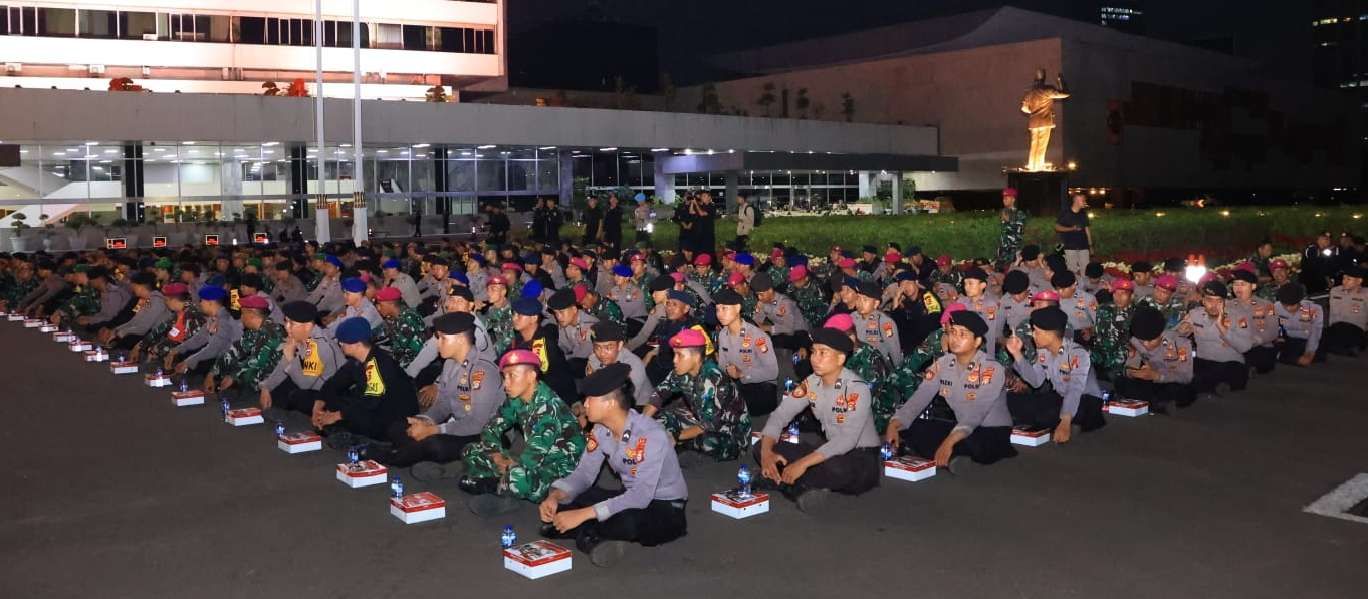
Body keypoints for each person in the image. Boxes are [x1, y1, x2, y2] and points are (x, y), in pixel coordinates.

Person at [540, 363, 689, 567]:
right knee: (571, 496)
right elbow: (584, 474)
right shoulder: (600, 430)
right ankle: (591, 533)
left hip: (665, 507)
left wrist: (583, 514)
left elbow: (640, 497)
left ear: (610, 403)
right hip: (629, 496)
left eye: (590, 399)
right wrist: (556, 496)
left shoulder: (650, 435)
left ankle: (588, 535)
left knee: (628, 520)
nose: (585, 404)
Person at [754, 327, 882, 513]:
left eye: (823, 353)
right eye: (813, 352)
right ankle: (798, 485)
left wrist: (803, 463)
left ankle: (786, 483)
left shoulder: (856, 389)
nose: (814, 358)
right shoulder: (811, 382)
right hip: (827, 450)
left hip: (860, 459)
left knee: (836, 468)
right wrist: (766, 453)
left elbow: (847, 440)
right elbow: (780, 415)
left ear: (840, 359)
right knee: (761, 446)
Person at [459, 349, 586, 516]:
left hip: (560, 472)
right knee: (471, 450)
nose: (506, 383)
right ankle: (501, 487)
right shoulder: (516, 398)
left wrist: (508, 465)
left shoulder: (548, 408)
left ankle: (494, 487)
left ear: (531, 376)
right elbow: (491, 427)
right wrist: (496, 454)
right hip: (531, 461)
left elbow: (530, 461)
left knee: (518, 477)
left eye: (512, 376)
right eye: (504, 376)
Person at [885, 310, 1016, 471]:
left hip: (991, 430)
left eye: (962, 334)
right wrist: (895, 423)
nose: (955, 338)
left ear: (977, 341)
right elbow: (920, 398)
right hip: (961, 428)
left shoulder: (991, 368)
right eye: (953, 332)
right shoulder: (943, 363)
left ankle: (952, 454)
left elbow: (977, 412)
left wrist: (949, 441)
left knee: (974, 443)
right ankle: (952, 455)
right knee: (914, 428)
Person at [378, 313, 503, 479]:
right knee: (399, 427)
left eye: (443, 338)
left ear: (460, 339)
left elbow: (477, 423)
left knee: (435, 445)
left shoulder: (482, 370)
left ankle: (392, 456)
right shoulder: (450, 363)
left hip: (486, 434)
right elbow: (443, 404)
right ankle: (428, 458)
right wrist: (425, 420)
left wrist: (433, 430)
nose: (438, 343)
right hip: (457, 426)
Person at [646, 328, 752, 463]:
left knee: (705, 442)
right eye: (674, 354)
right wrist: (642, 422)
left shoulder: (711, 380)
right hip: (700, 418)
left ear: (696, 357)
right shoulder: (681, 371)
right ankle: (675, 443)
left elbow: (708, 425)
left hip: (730, 432)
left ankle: (681, 447)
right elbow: (659, 395)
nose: (674, 360)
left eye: (680, 355)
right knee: (661, 419)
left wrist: (675, 436)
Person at [310, 317, 418, 447]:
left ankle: (353, 435)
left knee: (356, 414)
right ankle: (339, 429)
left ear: (357, 344)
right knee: (328, 401)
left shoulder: (378, 363)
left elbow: (370, 402)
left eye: (342, 342)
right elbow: (334, 383)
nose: (340, 345)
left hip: (393, 414)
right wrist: (318, 406)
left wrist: (336, 416)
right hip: (371, 405)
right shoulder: (356, 361)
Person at [1004, 306, 1106, 442]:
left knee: (1046, 415)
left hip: (1086, 400)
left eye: (1037, 331)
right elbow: (1036, 381)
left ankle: (1068, 422)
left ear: (1051, 334)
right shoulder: (1043, 351)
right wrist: (1017, 353)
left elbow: (1075, 389)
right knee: (1010, 400)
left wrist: (1065, 421)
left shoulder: (1078, 353)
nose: (1033, 335)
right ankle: (1058, 421)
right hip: (1061, 397)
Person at [259, 301, 344, 416]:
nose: (287, 327)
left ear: (307, 326)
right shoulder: (301, 337)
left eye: (292, 323)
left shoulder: (317, 345)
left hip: (329, 394)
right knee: (275, 388)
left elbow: (304, 384)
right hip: (308, 381)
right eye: (286, 321)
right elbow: (283, 365)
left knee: (297, 396)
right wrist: (266, 387)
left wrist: (290, 357)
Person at [1115, 306, 1194, 414]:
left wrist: (1157, 376)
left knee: (1178, 391)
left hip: (1170, 381)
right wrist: (1134, 372)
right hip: (1150, 380)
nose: (1146, 344)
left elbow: (1186, 377)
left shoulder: (1180, 344)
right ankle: (1151, 403)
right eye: (1142, 340)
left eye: (1151, 340)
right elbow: (1129, 366)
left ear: (1161, 334)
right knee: (1121, 382)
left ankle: (1157, 405)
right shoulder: (1135, 340)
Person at [713, 288, 780, 417]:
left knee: (732, 410)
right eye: (717, 309)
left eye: (724, 308)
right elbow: (722, 365)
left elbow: (773, 372)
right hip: (739, 384)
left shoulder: (757, 336)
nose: (719, 314)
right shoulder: (722, 334)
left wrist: (742, 373)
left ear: (737, 308)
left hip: (761, 386)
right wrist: (727, 370)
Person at [1182, 281, 1253, 395]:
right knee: (1184, 369)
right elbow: (1177, 335)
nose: (1214, 305)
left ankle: (1209, 386)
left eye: (1218, 301)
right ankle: (1214, 386)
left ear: (1225, 302)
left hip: (1230, 363)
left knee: (1233, 371)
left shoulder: (1238, 317)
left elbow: (1245, 347)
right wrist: (1183, 330)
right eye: (1209, 300)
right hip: (1203, 361)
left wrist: (1222, 328)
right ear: (1203, 301)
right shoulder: (1195, 314)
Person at [205, 295, 284, 398]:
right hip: (259, 371)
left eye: (243, 313)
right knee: (232, 365)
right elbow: (234, 351)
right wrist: (212, 373)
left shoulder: (271, 332)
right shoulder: (253, 331)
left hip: (275, 379)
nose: (241, 317)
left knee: (244, 374)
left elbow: (257, 362)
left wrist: (233, 377)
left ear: (252, 314)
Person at [1226, 269, 1279, 374]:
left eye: (1242, 284)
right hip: (1235, 345)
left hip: (1259, 346)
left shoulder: (1267, 305)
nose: (1238, 288)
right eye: (1235, 284)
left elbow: (1273, 331)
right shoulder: (1227, 306)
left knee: (1262, 357)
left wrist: (1255, 341)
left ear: (1253, 286)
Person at [102, 273, 168, 350]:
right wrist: (116, 330)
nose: (131, 287)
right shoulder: (145, 299)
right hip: (142, 333)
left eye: (133, 285)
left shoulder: (157, 300)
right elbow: (134, 321)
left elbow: (143, 328)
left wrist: (120, 333)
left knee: (126, 340)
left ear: (141, 286)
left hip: (154, 337)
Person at [1273, 283, 1324, 366]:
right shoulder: (1276, 307)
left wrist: (1309, 353)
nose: (1288, 308)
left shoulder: (1314, 309)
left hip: (1306, 340)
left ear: (1299, 301)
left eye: (1292, 305)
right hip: (1287, 340)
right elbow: (1275, 328)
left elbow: (1315, 334)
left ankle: (1286, 358)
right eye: (1285, 305)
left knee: (1316, 355)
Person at [1325, 266, 1366, 356]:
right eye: (1343, 278)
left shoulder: (1365, 294)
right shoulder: (1335, 291)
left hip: (1356, 329)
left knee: (1351, 340)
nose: (1344, 281)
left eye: (1349, 279)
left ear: (1359, 281)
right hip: (1337, 327)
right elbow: (1331, 313)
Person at [1055, 193, 1092, 276]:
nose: (1085, 202)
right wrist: (1071, 228)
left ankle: (1084, 284)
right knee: (1072, 270)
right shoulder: (1065, 213)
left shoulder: (1083, 213)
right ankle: (1073, 284)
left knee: (1086, 270)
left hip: (1083, 246)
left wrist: (1090, 245)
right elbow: (1057, 227)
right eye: (1083, 200)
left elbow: (1087, 229)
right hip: (1070, 246)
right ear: (1076, 200)